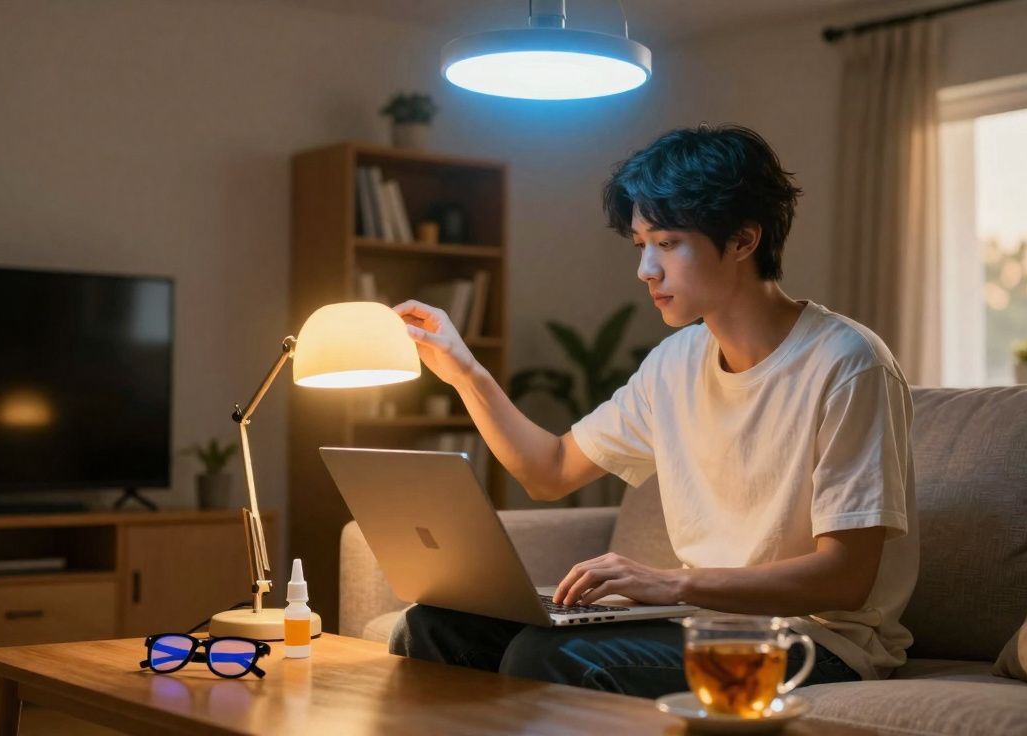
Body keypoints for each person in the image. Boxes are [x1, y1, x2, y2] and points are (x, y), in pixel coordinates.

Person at [388, 123, 917, 698]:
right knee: (433, 627)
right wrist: (466, 371)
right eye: (641, 245)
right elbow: (550, 471)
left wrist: (668, 583)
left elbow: (846, 579)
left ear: (742, 240)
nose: (646, 270)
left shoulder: (848, 362)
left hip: (811, 642)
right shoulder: (676, 361)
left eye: (666, 243)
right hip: (696, 622)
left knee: (549, 655)